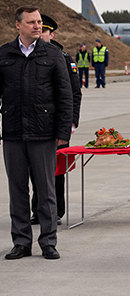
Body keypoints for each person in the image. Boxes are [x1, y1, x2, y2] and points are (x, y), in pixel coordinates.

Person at [0, 5, 73, 260]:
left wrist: (63, 132)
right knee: (17, 190)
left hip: (44, 135)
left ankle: (48, 242)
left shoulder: (53, 55)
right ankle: (21, 242)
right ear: (18, 25)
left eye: (39, 22)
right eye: (31, 22)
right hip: (13, 134)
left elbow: (65, 97)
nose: (37, 26)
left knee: (46, 191)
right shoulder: (4, 55)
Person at [29, 14, 82, 226]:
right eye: (38, 30)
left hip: (58, 124)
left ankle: (56, 211)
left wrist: (71, 122)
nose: (40, 35)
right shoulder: (28, 56)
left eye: (44, 31)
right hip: (34, 123)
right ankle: (37, 210)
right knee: (35, 170)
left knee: (56, 170)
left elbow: (74, 94)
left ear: (52, 34)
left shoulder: (64, 58)